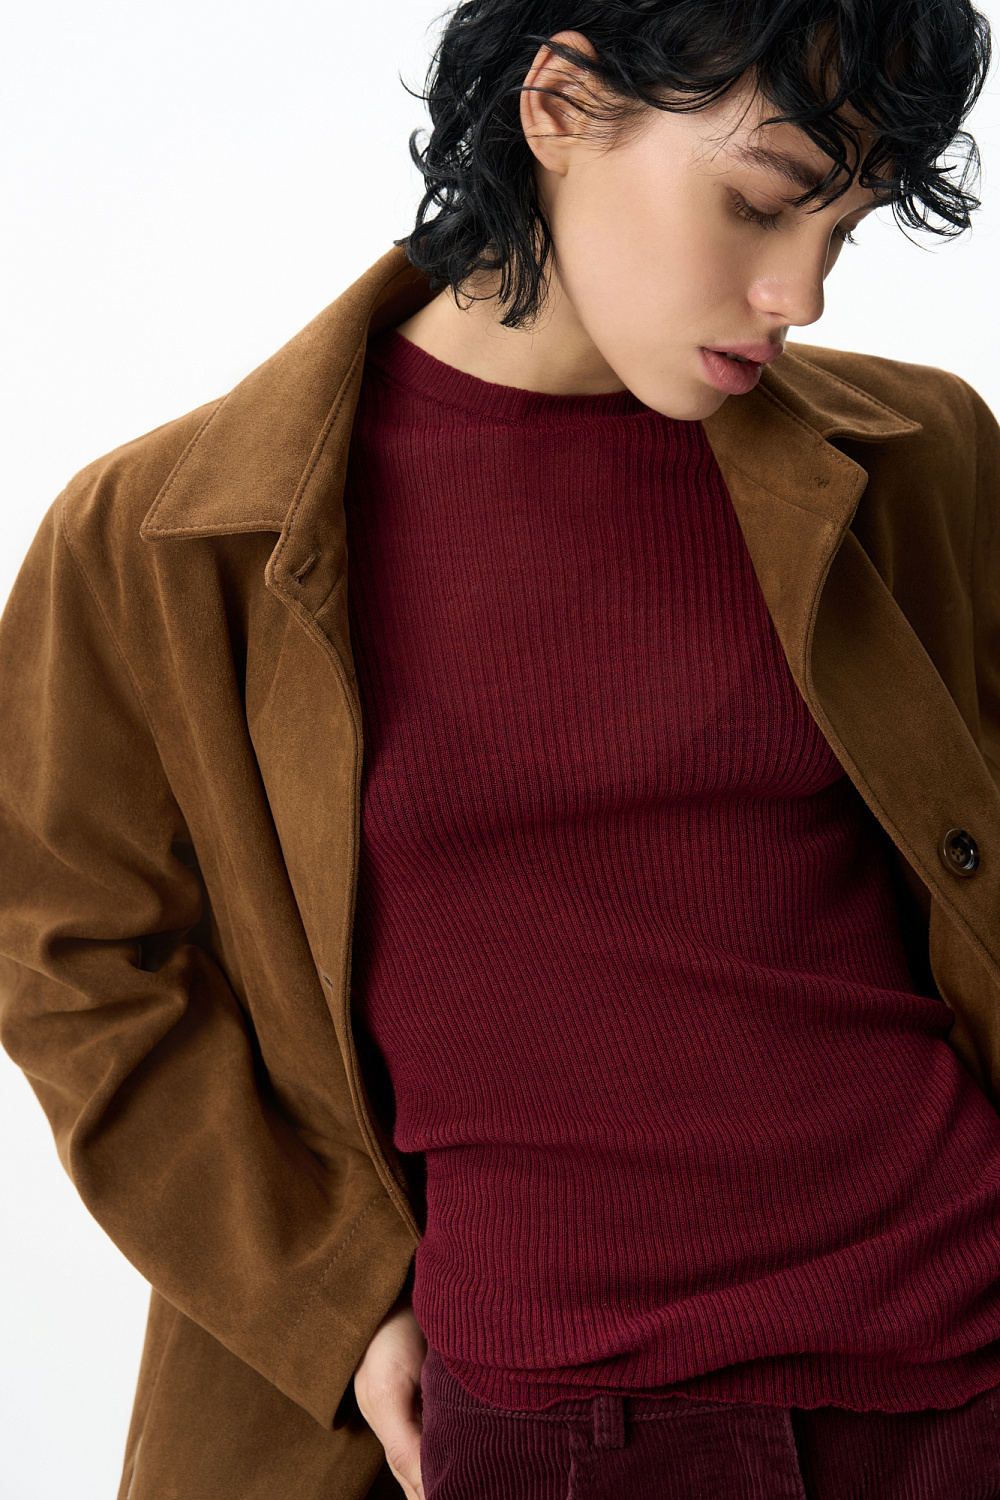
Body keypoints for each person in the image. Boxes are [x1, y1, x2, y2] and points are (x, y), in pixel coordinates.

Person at [1, 0, 999, 1496]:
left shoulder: (922, 461)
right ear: (561, 106)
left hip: (966, 1359)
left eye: (843, 232)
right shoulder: (160, 538)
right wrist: (332, 1299)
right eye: (761, 203)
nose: (798, 292)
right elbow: (73, 963)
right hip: (544, 1417)